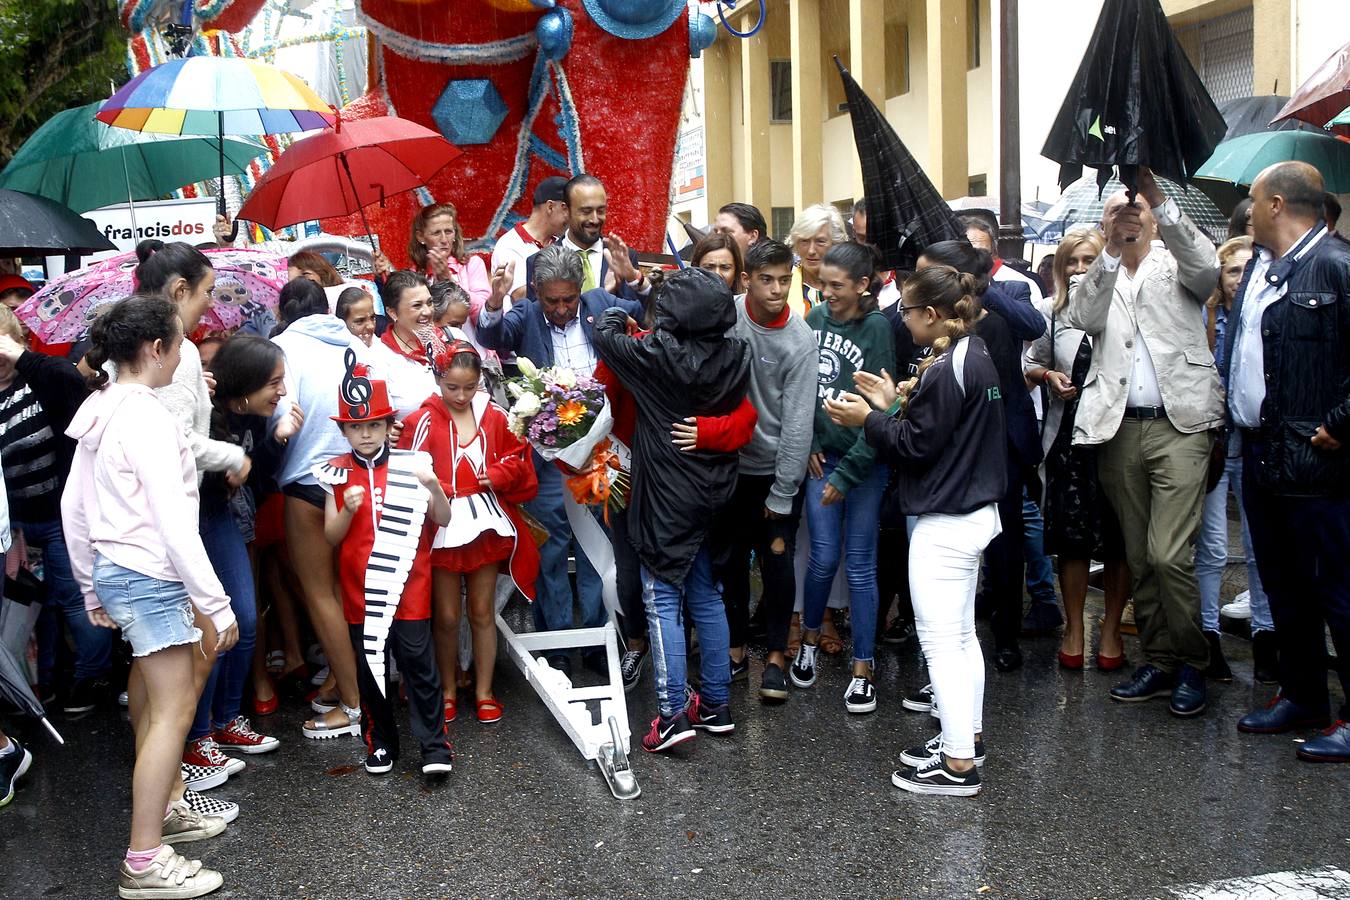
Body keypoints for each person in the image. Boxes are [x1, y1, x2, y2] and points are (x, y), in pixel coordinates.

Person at [63, 295, 236, 899]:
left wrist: (90, 582)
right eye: (180, 340)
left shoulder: (102, 405)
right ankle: (143, 860)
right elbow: (173, 522)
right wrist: (217, 604)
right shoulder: (147, 417)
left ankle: (162, 812)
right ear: (156, 349)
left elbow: (74, 506)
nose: (186, 349)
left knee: (160, 698)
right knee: (173, 712)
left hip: (121, 570)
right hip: (148, 574)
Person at [825, 263, 1005, 797]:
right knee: (962, 637)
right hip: (971, 512)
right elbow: (935, 431)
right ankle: (964, 737)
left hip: (947, 520)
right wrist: (891, 403)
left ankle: (957, 766)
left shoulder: (950, 367)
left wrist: (868, 421)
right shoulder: (970, 355)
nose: (900, 320)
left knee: (943, 643)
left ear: (931, 314)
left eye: (905, 310)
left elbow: (917, 446)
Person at [1063, 166, 1222, 718]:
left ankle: (1194, 663)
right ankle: (1158, 657)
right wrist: (1108, 246)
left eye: (1136, 212)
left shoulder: (1179, 260)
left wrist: (1159, 198)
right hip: (1117, 427)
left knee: (1168, 553)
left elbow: (1208, 271)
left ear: (1153, 216)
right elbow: (1080, 315)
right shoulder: (1100, 270)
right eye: (1117, 213)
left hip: (1181, 424)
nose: (1128, 219)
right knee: (1137, 554)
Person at [593, 267, 751, 751]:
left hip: (667, 494)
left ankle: (671, 717)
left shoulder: (655, 355)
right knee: (706, 592)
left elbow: (604, 334)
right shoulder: (738, 352)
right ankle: (717, 704)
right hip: (718, 488)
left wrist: (622, 308)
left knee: (661, 597)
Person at [1228, 162, 1350, 761]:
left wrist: (1340, 425)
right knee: (1285, 587)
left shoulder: (1337, 265)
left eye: (1253, 201)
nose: (1247, 212)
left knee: (1339, 591)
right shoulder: (1260, 267)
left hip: (1319, 460)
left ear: (1277, 204)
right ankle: (1303, 696)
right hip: (1262, 452)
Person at [476, 245, 642, 674]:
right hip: (549, 458)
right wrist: (494, 302)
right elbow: (493, 335)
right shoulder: (525, 314)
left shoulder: (602, 304)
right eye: (553, 300)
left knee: (597, 547)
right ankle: (555, 646)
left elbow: (643, 311)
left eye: (570, 298)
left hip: (602, 450)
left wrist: (636, 279)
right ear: (536, 292)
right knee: (552, 546)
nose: (563, 308)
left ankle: (598, 640)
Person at [318, 355, 455, 775]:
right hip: (361, 590)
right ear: (343, 429)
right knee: (370, 668)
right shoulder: (337, 472)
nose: (364, 434)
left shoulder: (412, 465)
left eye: (373, 425)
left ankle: (434, 746)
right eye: (355, 427)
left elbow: (443, 519)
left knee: (419, 665)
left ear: (387, 426)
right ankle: (381, 743)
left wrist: (433, 487)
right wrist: (346, 511)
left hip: (410, 585)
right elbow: (331, 536)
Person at [918, 240, 1045, 673]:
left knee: (1005, 543)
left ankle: (1006, 635)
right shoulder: (925, 322)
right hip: (950, 445)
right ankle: (958, 628)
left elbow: (1032, 331)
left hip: (1000, 444)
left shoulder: (994, 317)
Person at [401, 339, 538, 723]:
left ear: (481, 381)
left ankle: (484, 690)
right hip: (442, 524)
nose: (461, 395)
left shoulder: (494, 414)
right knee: (444, 615)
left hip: (485, 524)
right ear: (437, 379)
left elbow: (519, 458)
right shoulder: (420, 419)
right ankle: (447, 688)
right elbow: (407, 466)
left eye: (470, 386)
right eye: (452, 387)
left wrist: (495, 475)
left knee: (481, 612)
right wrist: (436, 486)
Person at [790, 242, 896, 713]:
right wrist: (810, 443)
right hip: (821, 460)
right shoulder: (813, 322)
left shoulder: (877, 329)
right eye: (822, 283)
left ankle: (863, 666)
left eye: (837, 286)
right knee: (822, 557)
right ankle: (809, 641)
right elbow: (801, 389)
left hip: (863, 463)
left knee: (859, 563)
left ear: (862, 286)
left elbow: (882, 408)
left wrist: (850, 471)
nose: (826, 292)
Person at [711, 239, 816, 702]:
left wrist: (784, 490)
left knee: (776, 564)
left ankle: (775, 656)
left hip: (773, 473)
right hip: (727, 466)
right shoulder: (726, 316)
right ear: (747, 279)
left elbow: (798, 423)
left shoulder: (800, 340)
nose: (777, 290)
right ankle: (734, 651)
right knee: (729, 562)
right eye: (768, 280)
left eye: (785, 281)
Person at [192, 335, 302, 763]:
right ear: (248, 382)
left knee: (245, 622)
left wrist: (279, 438)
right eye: (274, 382)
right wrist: (226, 475)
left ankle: (226, 722)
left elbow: (260, 480)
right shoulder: (205, 412)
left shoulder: (258, 417)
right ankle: (198, 737)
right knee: (212, 630)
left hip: (223, 520)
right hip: (192, 524)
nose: (282, 391)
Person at [1023, 229, 1130, 670]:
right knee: (1072, 538)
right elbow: (1029, 363)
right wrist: (1048, 377)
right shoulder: (1051, 311)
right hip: (1068, 438)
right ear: (1060, 266)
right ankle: (1073, 627)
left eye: (1089, 259)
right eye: (1073, 261)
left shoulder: (1124, 306)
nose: (1082, 269)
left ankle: (1110, 627)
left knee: (1120, 535)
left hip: (1116, 434)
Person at [270, 278, 369, 739]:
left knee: (322, 595)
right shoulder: (356, 342)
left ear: (284, 311)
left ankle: (354, 706)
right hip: (362, 476)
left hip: (310, 480)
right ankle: (351, 684)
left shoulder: (283, 348)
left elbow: (279, 413)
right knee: (359, 593)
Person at [0, 309, 110, 713]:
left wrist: (21, 358)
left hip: (61, 515)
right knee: (29, 607)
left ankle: (92, 676)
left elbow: (69, 380)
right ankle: (40, 682)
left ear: (19, 340)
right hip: (13, 526)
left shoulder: (43, 378)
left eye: (3, 343)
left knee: (77, 597)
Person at [1195, 235, 1265, 683]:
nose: (1240, 277)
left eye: (1247, 268)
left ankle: (1267, 636)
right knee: (1214, 546)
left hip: (1255, 441)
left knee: (1260, 547)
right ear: (1219, 276)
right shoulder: (1208, 318)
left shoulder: (1264, 316)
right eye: (1232, 269)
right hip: (1214, 441)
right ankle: (1208, 637)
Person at [524, 174, 649, 304]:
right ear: (566, 210)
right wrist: (604, 296)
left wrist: (633, 279)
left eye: (600, 211)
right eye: (586, 211)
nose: (594, 219)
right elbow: (539, 320)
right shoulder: (539, 262)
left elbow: (637, 315)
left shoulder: (623, 258)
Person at [491, 175, 570, 300]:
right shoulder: (510, 244)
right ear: (550, 207)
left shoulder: (563, 242)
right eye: (567, 209)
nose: (571, 217)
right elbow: (521, 296)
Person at [407, 202, 490, 314]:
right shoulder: (414, 275)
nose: (444, 240)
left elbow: (485, 312)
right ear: (420, 237)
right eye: (436, 233)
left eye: (448, 231)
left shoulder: (472, 264)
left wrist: (449, 281)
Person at [960, 212, 1045, 305]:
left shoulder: (1022, 284)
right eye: (968, 253)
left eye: (982, 253)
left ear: (994, 251)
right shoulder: (948, 286)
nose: (976, 260)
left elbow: (1034, 319)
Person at [786, 203, 848, 317]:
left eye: (820, 241)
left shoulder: (851, 286)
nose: (811, 251)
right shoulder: (783, 285)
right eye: (804, 241)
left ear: (836, 244)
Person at [380, 270, 437, 366]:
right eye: (417, 305)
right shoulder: (380, 358)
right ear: (393, 313)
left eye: (429, 302)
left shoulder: (450, 338)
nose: (427, 312)